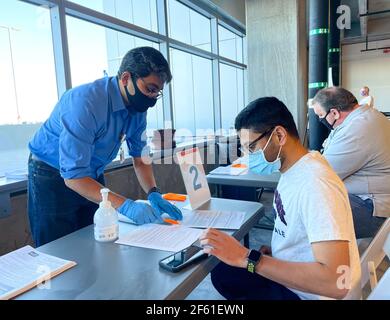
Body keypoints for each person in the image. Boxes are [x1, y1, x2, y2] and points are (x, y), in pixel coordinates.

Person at [200, 97, 361, 300]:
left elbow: (336, 283)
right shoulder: (294, 170)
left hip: (310, 294)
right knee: (224, 272)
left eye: (251, 148)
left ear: (278, 135)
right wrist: (280, 253)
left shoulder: (316, 184)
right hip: (294, 283)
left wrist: (248, 258)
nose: (248, 157)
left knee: (234, 267)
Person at [28, 47, 182, 247]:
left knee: (94, 238)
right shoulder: (85, 102)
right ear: (126, 78)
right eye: (150, 89)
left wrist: (153, 192)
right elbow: (73, 177)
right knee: (58, 248)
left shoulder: (137, 108)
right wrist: (126, 206)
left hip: (90, 173)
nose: (152, 98)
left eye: (157, 92)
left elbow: (140, 158)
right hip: (51, 174)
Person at [312, 87, 390, 238]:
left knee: (307, 211)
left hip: (373, 207)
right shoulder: (367, 117)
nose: (321, 121)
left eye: (321, 116)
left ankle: (297, 259)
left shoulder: (357, 128)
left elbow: (323, 175)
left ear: (334, 113)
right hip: (370, 199)